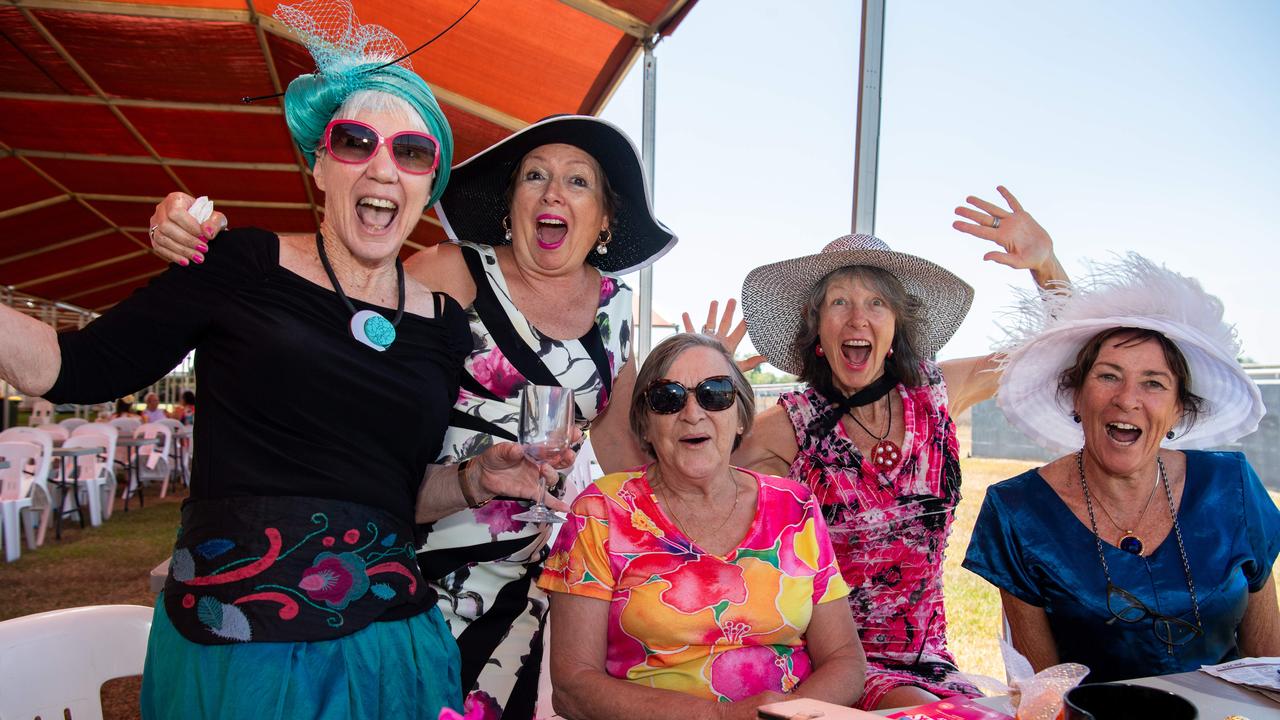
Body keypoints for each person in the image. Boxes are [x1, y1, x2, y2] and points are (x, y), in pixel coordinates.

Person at [0, 6, 563, 718]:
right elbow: (67, 366)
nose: (384, 166)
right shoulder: (241, 263)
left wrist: (474, 480)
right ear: (320, 163)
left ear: (429, 184)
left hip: (389, 652)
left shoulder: (446, 327)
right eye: (356, 141)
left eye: (413, 152)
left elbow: (391, 495)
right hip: (239, 651)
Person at [147, 116, 676, 717]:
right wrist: (202, 234)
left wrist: (705, 490)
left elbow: (625, 466)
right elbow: (333, 291)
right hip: (406, 564)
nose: (553, 192)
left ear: (605, 218)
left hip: (526, 579)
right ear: (512, 204)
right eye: (535, 176)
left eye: (577, 181)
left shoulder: (617, 312)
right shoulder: (454, 271)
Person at [710, 187, 1066, 711]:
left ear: (897, 324)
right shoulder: (788, 428)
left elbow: (1060, 352)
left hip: (934, 665)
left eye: (876, 302)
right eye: (840, 302)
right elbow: (681, 476)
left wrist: (1046, 262)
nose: (859, 318)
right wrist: (708, 383)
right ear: (817, 327)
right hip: (834, 666)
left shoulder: (938, 392)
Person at [963, 253, 1280, 682]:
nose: (1127, 399)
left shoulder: (1232, 486)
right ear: (1075, 395)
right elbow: (1044, 691)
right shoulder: (1017, 510)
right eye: (1108, 376)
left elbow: (1269, 663)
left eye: (1154, 383)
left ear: (1178, 409)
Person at [538, 333, 866, 720]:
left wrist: (786, 716)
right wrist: (721, 718)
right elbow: (573, 686)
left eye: (715, 393)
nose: (692, 412)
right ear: (644, 425)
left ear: (742, 416)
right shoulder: (600, 511)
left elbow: (845, 660)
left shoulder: (794, 506)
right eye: (668, 398)